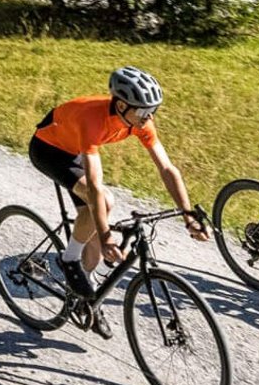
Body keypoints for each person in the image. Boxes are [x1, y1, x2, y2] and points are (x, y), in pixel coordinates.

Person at [26, 67, 207, 337]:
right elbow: (96, 186)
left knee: (97, 224)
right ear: (122, 105)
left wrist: (188, 216)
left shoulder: (140, 121)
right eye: (145, 111)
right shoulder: (93, 120)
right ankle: (69, 258)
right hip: (49, 150)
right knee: (103, 203)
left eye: (154, 110)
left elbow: (167, 169)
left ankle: (86, 297)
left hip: (73, 147)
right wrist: (106, 235)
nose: (150, 117)